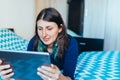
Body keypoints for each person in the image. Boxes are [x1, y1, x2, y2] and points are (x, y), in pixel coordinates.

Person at [0, 7, 79, 80]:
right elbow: (27, 73)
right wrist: (9, 77)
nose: (44, 34)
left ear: (60, 28)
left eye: (49, 28)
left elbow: (69, 78)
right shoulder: (33, 42)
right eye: (40, 29)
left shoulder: (71, 44)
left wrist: (59, 77)